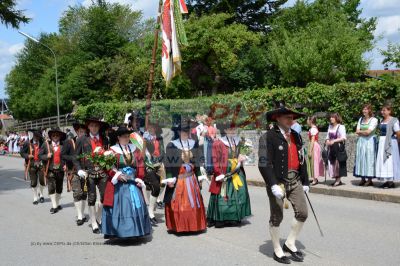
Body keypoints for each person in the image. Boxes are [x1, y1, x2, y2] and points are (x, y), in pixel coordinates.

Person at [258, 104, 309, 264]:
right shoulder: (267, 137)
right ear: (277, 118)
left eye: (292, 117)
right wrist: (272, 184)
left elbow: (302, 159)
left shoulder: (296, 135)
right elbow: (264, 163)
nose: (291, 119)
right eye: (287, 117)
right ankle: (277, 249)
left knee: (302, 213)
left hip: (295, 180)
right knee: (277, 216)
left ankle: (290, 243)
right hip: (277, 181)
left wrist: (306, 180)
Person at [102, 126, 152, 239]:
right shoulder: (112, 150)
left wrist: (139, 177)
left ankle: (136, 230)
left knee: (136, 203)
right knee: (123, 204)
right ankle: (121, 232)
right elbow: (107, 166)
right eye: (124, 137)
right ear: (118, 137)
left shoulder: (134, 148)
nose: (126, 138)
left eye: (128, 136)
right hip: (120, 183)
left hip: (133, 182)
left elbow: (140, 164)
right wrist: (117, 175)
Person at [163, 117, 207, 233]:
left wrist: (199, 176)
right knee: (179, 202)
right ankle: (180, 226)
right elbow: (168, 165)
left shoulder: (194, 143)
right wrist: (169, 179)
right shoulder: (172, 145)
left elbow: (197, 162)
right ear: (178, 132)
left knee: (194, 202)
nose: (186, 133)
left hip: (191, 178)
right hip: (179, 180)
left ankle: (194, 225)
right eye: (183, 131)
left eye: (187, 130)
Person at [207, 121, 251, 228]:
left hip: (237, 173)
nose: (233, 131)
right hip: (224, 173)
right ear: (225, 130)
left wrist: (243, 158)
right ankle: (221, 219)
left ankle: (235, 218)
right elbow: (216, 159)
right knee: (224, 196)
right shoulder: (218, 143)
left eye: (234, 129)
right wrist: (219, 173)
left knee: (239, 194)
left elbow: (241, 154)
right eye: (230, 129)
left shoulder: (239, 142)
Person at [74, 118, 110, 234]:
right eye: (92, 126)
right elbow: (76, 157)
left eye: (96, 126)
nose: (94, 128)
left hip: (102, 172)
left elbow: (108, 154)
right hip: (88, 172)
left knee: (104, 196)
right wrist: (79, 169)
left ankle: (99, 217)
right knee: (92, 197)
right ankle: (94, 222)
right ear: (88, 127)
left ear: (99, 127)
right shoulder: (81, 139)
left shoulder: (104, 139)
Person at [62, 122, 88, 226]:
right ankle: (80, 216)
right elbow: (63, 155)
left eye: (83, 131)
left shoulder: (88, 141)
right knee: (77, 193)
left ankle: (83, 213)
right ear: (76, 132)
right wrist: (73, 158)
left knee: (85, 194)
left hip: (86, 172)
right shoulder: (69, 142)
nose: (82, 133)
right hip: (74, 171)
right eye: (80, 131)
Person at [39, 127, 66, 214]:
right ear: (51, 136)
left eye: (57, 135)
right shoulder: (45, 144)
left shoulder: (64, 145)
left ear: (60, 136)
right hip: (50, 169)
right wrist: (46, 156)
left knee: (59, 188)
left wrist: (66, 165)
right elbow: (40, 155)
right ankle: (54, 206)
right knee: (51, 187)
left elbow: (67, 157)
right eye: (53, 135)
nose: (55, 136)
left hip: (61, 170)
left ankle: (57, 204)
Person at [143, 120, 165, 225]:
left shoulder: (159, 137)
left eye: (153, 127)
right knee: (151, 185)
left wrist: (160, 159)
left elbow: (162, 149)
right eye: (150, 127)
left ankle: (155, 199)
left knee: (163, 183)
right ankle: (150, 209)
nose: (151, 129)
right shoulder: (144, 138)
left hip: (159, 163)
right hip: (148, 164)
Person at [375, 104, 400, 188]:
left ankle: (391, 181)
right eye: (382, 110)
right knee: (383, 160)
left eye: (384, 110)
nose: (382, 112)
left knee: (389, 161)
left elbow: (398, 132)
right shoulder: (382, 120)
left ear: (389, 111)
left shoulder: (394, 120)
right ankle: (386, 180)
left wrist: (397, 142)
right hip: (382, 142)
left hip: (390, 142)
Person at [354, 104, 378, 186]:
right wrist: (362, 132)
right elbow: (357, 131)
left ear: (370, 110)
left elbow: (368, 132)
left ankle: (369, 179)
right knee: (361, 159)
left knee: (369, 159)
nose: (364, 111)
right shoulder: (361, 119)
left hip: (370, 141)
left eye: (366, 109)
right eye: (363, 109)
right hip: (361, 142)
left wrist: (361, 132)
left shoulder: (374, 120)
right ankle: (362, 178)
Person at [20, 129, 45, 205]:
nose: (36, 137)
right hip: (32, 164)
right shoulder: (27, 143)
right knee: (33, 182)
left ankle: (41, 194)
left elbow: (46, 152)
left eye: (38, 136)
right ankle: (35, 197)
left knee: (42, 181)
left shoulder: (43, 143)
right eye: (35, 136)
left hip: (41, 164)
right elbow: (22, 153)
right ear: (33, 135)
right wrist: (28, 155)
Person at [325, 113, 347, 186]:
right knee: (332, 163)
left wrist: (334, 141)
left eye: (333, 117)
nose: (331, 118)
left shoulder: (341, 127)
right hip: (331, 147)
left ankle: (338, 180)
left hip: (338, 147)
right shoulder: (330, 126)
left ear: (336, 118)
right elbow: (327, 136)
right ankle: (336, 179)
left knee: (338, 163)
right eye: (330, 117)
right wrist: (327, 141)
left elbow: (343, 137)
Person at [306, 116, 324, 185]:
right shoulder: (312, 129)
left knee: (314, 161)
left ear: (310, 121)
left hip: (314, 146)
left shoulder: (313, 129)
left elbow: (313, 140)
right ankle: (314, 177)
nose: (307, 121)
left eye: (308, 120)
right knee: (313, 161)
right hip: (313, 145)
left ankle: (315, 179)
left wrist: (310, 150)